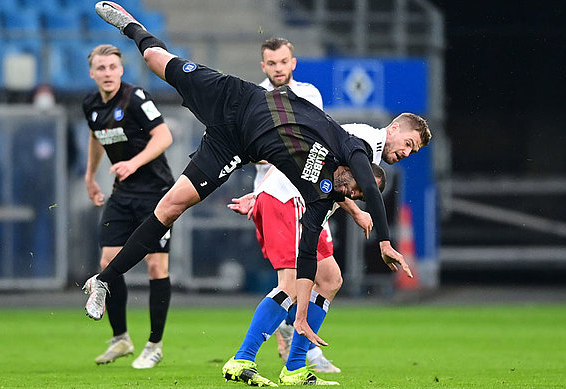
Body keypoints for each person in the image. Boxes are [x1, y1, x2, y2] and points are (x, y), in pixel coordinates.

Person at [84, 1, 431, 383]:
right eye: (357, 190)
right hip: (236, 97)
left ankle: (103, 281)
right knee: (156, 59)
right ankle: (130, 25)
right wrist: (385, 240)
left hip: (235, 147)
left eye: (356, 196)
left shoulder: (322, 193)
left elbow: (307, 254)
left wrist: (299, 316)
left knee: (170, 206)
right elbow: (366, 179)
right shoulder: (351, 143)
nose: (353, 193)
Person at [223, 159, 386, 386]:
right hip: (286, 201)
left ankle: (295, 367)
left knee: (330, 279)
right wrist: (259, 192)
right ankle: (241, 360)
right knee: (289, 285)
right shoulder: (358, 142)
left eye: (360, 195)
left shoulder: (340, 181)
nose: (354, 194)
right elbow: (289, 154)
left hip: (304, 207)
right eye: (409, 144)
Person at [252, 37, 341, 375]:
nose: (278, 69)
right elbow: (255, 152)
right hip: (277, 196)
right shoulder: (255, 98)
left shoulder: (310, 94)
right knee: (288, 281)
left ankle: (297, 340)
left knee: (330, 278)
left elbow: (315, 143)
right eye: (271, 63)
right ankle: (270, 353)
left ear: (293, 63)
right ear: (263, 66)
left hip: (311, 196)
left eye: (283, 62)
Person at [83, 43, 175, 369]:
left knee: (155, 266)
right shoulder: (91, 105)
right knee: (108, 260)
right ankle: (121, 338)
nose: (107, 73)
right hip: (122, 193)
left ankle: (155, 344)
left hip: (157, 194)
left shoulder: (135, 97)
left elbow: (164, 137)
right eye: (101, 68)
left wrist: (133, 163)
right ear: (92, 72)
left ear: (121, 70)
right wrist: (90, 175)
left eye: (113, 67)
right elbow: (97, 137)